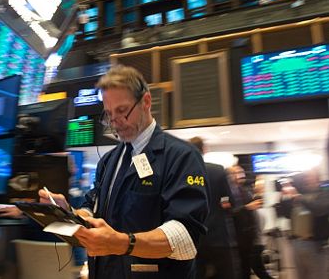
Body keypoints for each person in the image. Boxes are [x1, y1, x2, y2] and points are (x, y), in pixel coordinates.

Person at [39, 65, 209, 279]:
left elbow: (185, 236)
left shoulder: (182, 156)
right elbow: (92, 208)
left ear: (146, 101)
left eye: (122, 111)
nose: (115, 122)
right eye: (109, 114)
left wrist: (122, 243)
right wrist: (70, 214)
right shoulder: (109, 161)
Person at [189, 137, 239, 279]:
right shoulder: (217, 170)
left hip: (193, 238)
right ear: (204, 150)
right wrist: (224, 207)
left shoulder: (181, 172)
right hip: (219, 236)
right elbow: (232, 201)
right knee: (226, 274)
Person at [276, 168, 329, 279]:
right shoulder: (301, 194)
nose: (307, 179)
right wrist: (283, 198)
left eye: (310, 176)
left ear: (317, 178)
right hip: (297, 243)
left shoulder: (324, 193)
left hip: (316, 245)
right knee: (300, 276)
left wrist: (298, 197)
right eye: (306, 176)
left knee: (318, 275)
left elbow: (318, 209)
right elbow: (287, 214)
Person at [227, 165, 268, 279]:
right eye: (237, 173)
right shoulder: (227, 192)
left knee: (247, 269)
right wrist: (246, 207)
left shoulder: (245, 191)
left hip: (249, 237)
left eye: (242, 173)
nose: (241, 175)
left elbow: (253, 213)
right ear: (230, 176)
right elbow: (228, 213)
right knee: (239, 270)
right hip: (235, 237)